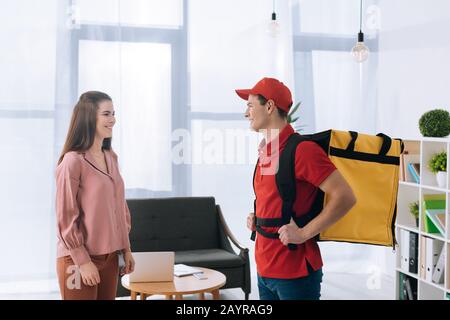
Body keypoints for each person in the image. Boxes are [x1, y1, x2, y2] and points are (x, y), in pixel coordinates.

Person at [235, 77, 357, 300]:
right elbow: (276, 198)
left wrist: (302, 234)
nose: (246, 113)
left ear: (269, 106)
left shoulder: (303, 151)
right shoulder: (266, 150)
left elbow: (346, 197)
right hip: (264, 268)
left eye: (251, 105)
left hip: (295, 273)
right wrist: (259, 218)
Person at [55, 91, 135, 300]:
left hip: (110, 257)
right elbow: (65, 217)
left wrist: (125, 249)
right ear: (89, 117)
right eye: (106, 114)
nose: (113, 120)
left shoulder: (111, 157)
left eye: (113, 113)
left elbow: (119, 208)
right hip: (77, 259)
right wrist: (82, 261)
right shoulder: (72, 162)